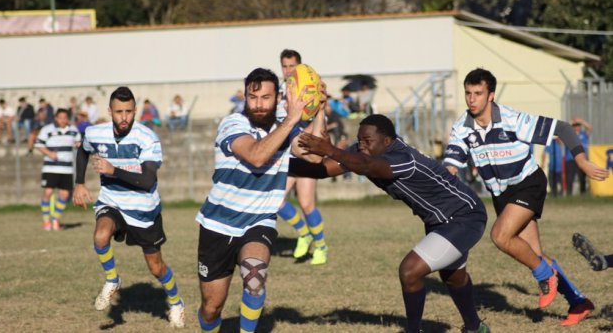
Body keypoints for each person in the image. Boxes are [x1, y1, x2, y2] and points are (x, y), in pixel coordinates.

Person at [443, 68, 609, 326]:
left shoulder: (511, 119)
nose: (472, 99)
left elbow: (563, 129)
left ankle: (544, 275)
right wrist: (443, 178)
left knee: (500, 235)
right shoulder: (461, 128)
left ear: (491, 95)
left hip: (528, 184)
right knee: (533, 252)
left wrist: (582, 162)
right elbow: (452, 163)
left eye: (478, 93)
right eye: (468, 93)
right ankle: (579, 302)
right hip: (501, 194)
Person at [295, 114, 490, 333]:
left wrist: (330, 149)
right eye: (359, 140)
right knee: (453, 277)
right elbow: (322, 170)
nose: (361, 145)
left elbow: (368, 166)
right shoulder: (362, 152)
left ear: (387, 141)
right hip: (440, 220)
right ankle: (476, 328)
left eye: (368, 141)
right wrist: (275, 166)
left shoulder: (403, 157)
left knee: (409, 272)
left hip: (465, 215)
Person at [195, 68, 324, 333]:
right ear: (245, 96)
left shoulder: (284, 123)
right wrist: (290, 121)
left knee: (255, 281)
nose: (259, 104)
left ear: (277, 97)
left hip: (259, 221)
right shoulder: (233, 124)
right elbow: (256, 155)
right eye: (252, 97)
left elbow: (315, 155)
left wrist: (319, 110)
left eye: (266, 97)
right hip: (218, 224)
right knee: (212, 308)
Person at [72, 86, 185, 328]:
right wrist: (79, 183)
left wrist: (113, 170)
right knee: (100, 236)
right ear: (110, 111)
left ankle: (176, 302)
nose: (123, 117)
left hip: (144, 210)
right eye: (118, 111)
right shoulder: (95, 132)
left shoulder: (147, 138)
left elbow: (147, 180)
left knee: (156, 268)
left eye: (128, 112)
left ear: (135, 111)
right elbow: (82, 150)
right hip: (112, 201)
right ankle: (113, 280)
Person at [275, 48, 329, 265]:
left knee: (307, 203)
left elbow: (320, 128)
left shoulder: (312, 89)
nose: (288, 70)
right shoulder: (280, 92)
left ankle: (321, 246)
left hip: (305, 153)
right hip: (288, 156)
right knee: (276, 201)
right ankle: (304, 233)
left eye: (292, 66)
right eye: (285, 66)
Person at [34, 109, 81, 231]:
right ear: (56, 118)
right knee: (48, 193)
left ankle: (55, 219)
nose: (63, 120)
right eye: (60, 117)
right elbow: (38, 144)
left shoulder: (73, 130)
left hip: (67, 169)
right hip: (50, 168)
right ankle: (46, 221)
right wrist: (49, 153)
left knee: (64, 195)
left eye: (65, 117)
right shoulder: (47, 129)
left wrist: (79, 144)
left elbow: (79, 142)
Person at [566, 118, 592, 195]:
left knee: (582, 178)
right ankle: (569, 195)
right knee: (570, 178)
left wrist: (581, 121)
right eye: (575, 125)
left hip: (582, 159)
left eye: (578, 125)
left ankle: (582, 194)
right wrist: (571, 122)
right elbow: (564, 129)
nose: (576, 127)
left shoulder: (584, 134)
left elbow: (590, 128)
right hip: (571, 159)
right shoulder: (569, 135)